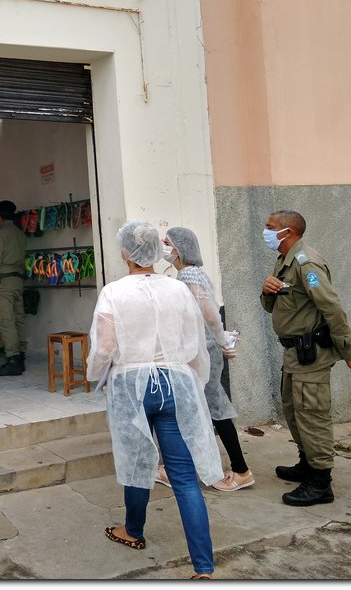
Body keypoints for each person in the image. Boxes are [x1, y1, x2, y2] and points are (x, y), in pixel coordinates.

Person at [87, 219, 223, 580]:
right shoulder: (178, 290)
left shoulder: (114, 293)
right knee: (183, 475)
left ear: (125, 253)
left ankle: (133, 529)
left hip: (132, 385)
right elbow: (195, 344)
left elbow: (103, 348)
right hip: (176, 382)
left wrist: (92, 375)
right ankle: (204, 568)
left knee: (137, 461)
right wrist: (191, 380)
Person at [261, 210, 351, 506]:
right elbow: (275, 306)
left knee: (312, 415)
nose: (265, 232)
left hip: (312, 355)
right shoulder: (284, 260)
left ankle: (321, 483)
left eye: (270, 228)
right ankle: (307, 463)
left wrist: (348, 351)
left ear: (288, 232)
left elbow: (332, 307)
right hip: (294, 353)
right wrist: (266, 291)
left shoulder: (306, 262)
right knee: (294, 411)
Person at [158, 226, 254, 492]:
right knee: (194, 408)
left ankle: (241, 470)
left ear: (179, 248)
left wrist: (222, 342)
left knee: (216, 408)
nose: (163, 246)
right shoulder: (191, 273)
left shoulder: (189, 274)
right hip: (200, 349)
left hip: (202, 352)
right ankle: (175, 466)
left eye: (167, 242)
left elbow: (210, 314)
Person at [0, 199, 28, 376]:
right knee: (18, 320)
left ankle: (13, 359)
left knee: (6, 321)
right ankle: (21, 355)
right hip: (17, 282)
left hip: (3, 283)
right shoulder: (19, 233)